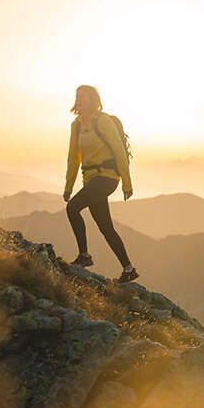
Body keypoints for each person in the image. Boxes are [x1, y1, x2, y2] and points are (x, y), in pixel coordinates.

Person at [63, 85, 138, 283]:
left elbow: (119, 151)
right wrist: (68, 186)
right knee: (106, 227)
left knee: (73, 208)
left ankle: (84, 255)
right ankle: (129, 269)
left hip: (107, 177)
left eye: (83, 96)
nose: (79, 99)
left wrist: (126, 183)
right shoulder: (76, 125)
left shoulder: (102, 121)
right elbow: (73, 158)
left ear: (93, 99)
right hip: (90, 180)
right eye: (77, 96)